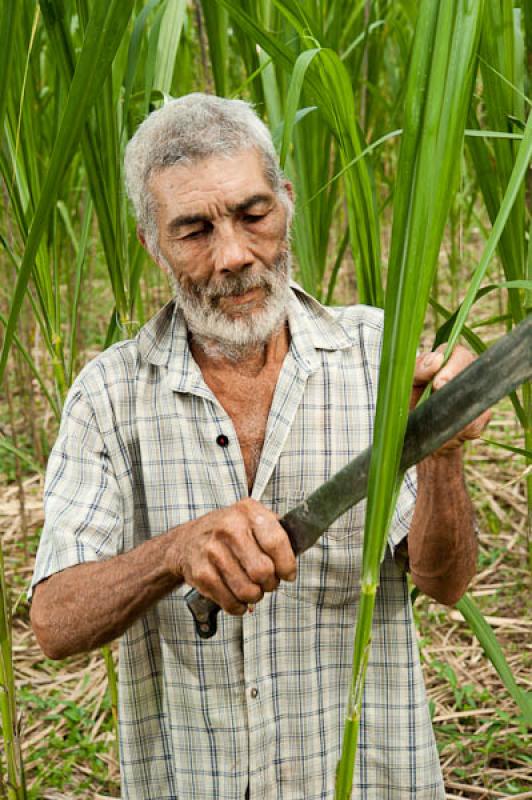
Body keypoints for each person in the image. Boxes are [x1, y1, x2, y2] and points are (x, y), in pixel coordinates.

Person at [30, 93, 489, 799]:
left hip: (368, 781)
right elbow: (55, 622)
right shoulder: (109, 396)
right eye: (193, 231)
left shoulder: (380, 356)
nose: (235, 256)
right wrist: (173, 552)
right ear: (152, 244)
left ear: (287, 202)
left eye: (253, 215)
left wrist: (442, 458)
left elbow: (444, 581)